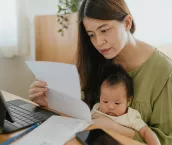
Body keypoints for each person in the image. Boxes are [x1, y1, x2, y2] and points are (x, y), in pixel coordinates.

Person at [28, 0, 172, 144]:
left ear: (127, 23)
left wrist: (116, 128)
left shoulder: (164, 72)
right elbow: (84, 112)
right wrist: (50, 102)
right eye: (91, 35)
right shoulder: (97, 59)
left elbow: (166, 140)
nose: (98, 42)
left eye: (104, 30)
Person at [91, 64, 160, 145]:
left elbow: (146, 131)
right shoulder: (97, 108)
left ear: (129, 101)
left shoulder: (130, 116)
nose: (110, 107)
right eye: (105, 101)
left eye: (117, 103)